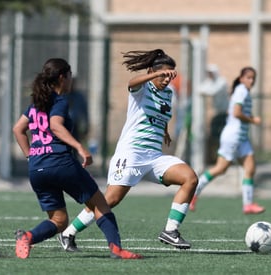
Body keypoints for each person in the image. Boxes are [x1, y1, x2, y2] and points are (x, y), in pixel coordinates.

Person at [58, 49, 198, 251]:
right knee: (110, 200)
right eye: (163, 74)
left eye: (170, 75)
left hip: (154, 156)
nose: (167, 79)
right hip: (131, 153)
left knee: (190, 178)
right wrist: (155, 75)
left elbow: (160, 112)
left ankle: (170, 231)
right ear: (153, 72)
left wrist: (164, 130)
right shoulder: (144, 87)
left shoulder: (168, 93)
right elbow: (131, 83)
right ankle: (68, 233)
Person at [12, 58, 142, 259]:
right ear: (63, 77)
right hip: (60, 162)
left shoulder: (35, 104)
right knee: (99, 204)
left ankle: (27, 237)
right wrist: (80, 147)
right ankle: (116, 248)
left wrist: (31, 155)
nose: (72, 80)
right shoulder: (60, 100)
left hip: (37, 168)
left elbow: (18, 129)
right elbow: (56, 125)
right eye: (70, 75)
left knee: (59, 221)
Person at [189, 66, 265, 214]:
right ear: (242, 78)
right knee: (220, 169)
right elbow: (237, 113)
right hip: (233, 136)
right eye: (248, 78)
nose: (251, 81)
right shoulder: (242, 90)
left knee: (250, 168)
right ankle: (192, 194)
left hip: (242, 138)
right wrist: (252, 120)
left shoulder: (243, 91)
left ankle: (248, 204)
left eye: (253, 78)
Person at [199, 64, 229, 162]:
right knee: (214, 136)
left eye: (211, 73)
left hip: (224, 114)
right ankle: (215, 157)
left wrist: (202, 91)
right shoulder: (211, 82)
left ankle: (225, 158)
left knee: (223, 137)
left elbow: (212, 91)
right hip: (217, 114)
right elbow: (201, 88)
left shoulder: (222, 81)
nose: (209, 75)